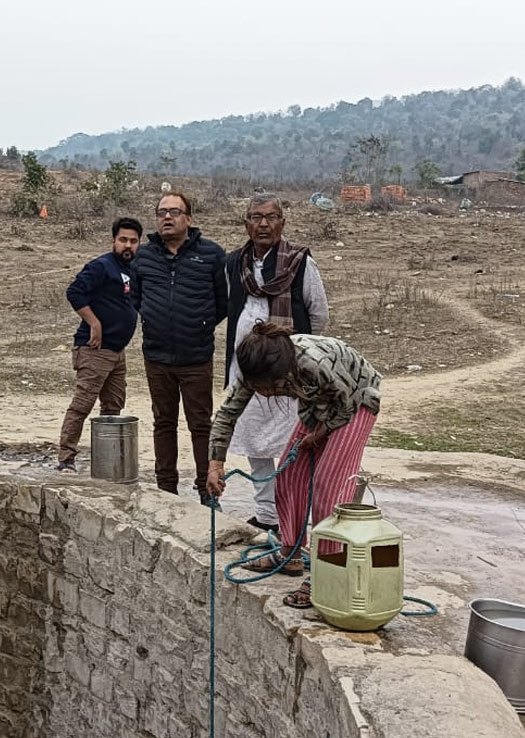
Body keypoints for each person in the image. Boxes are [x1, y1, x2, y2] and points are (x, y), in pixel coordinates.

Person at [206, 323, 382, 608]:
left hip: (356, 399)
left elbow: (345, 406)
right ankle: (290, 554)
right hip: (319, 406)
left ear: (282, 374)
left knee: (328, 486)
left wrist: (319, 435)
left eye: (267, 388)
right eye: (257, 388)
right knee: (288, 475)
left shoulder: (313, 364)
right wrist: (215, 463)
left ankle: (326, 573)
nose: (262, 394)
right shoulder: (257, 370)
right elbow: (227, 414)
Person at [223, 195, 329, 535]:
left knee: (290, 442)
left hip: (288, 374)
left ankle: (293, 515)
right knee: (254, 441)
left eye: (271, 217)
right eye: (256, 217)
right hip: (247, 369)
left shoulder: (299, 262)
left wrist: (291, 349)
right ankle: (267, 514)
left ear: (282, 223)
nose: (264, 224)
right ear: (246, 224)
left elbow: (318, 314)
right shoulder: (235, 263)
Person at [131, 193, 227, 503]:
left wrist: (199, 326)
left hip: (196, 357)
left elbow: (223, 302)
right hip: (156, 356)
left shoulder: (212, 255)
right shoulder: (144, 257)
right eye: (161, 212)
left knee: (200, 425)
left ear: (189, 218)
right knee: (163, 422)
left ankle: (207, 492)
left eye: (174, 211)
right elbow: (137, 299)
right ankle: (166, 491)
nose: (167, 218)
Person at [56, 217, 142, 472]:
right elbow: (74, 292)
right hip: (95, 348)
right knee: (82, 404)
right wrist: (94, 323)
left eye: (133, 241)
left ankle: (107, 460)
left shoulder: (133, 269)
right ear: (113, 241)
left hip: (118, 351)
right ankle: (66, 458)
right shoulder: (102, 266)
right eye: (123, 240)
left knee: (113, 406)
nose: (128, 245)